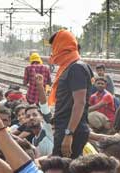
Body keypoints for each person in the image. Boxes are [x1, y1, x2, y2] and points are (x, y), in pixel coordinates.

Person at [47, 29, 92, 159]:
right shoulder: (69, 66)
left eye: (54, 47)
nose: (53, 51)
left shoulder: (76, 68)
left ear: (62, 45)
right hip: (66, 127)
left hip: (71, 129)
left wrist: (68, 134)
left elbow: (80, 103)